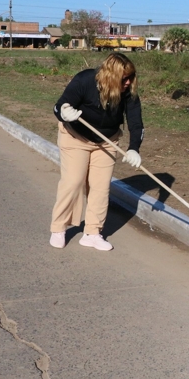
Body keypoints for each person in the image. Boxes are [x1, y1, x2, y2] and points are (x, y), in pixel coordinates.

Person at [49, 52, 144, 251]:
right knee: (73, 182)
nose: (128, 82)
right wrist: (64, 113)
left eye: (130, 77)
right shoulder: (85, 80)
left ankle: (92, 232)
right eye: (124, 78)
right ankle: (59, 228)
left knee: (100, 187)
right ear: (111, 75)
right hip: (75, 137)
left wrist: (134, 148)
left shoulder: (128, 91)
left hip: (108, 141)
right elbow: (59, 106)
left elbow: (136, 122)